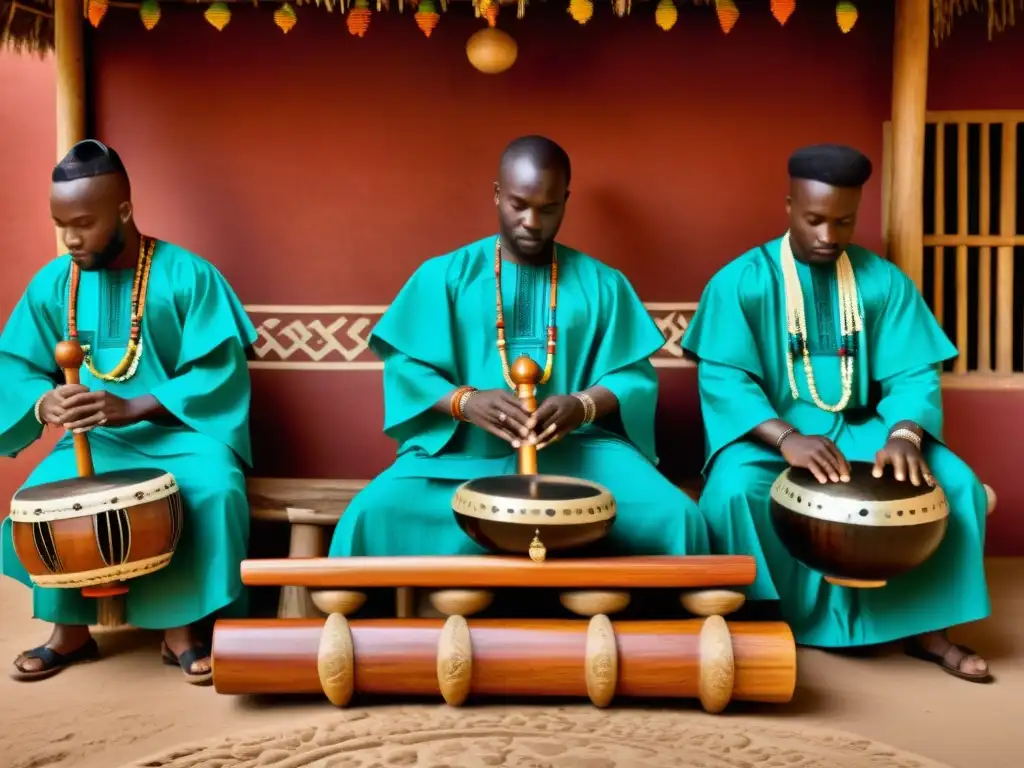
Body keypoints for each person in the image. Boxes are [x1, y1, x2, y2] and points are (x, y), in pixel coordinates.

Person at [681, 143, 992, 682]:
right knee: (734, 492)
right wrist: (785, 438)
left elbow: (914, 374)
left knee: (956, 485)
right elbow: (724, 379)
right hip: (768, 438)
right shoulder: (743, 281)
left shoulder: (882, 281)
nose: (828, 236)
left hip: (863, 430)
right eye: (814, 220)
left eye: (843, 222)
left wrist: (904, 436)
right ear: (789, 206)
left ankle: (927, 628)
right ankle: (761, 622)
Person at [328, 135, 710, 561]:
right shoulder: (444, 276)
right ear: (496, 194)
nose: (532, 221)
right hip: (461, 456)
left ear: (566, 200)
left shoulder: (604, 284)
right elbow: (405, 367)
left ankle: (668, 630)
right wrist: (465, 402)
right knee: (369, 515)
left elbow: (632, 377)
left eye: (549, 209)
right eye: (518, 204)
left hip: (581, 456)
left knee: (679, 517)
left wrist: (581, 406)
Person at [0, 139, 258, 684]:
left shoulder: (188, 275)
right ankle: (69, 629)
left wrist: (134, 405)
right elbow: (15, 365)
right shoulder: (54, 283)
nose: (70, 238)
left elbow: (219, 373)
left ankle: (183, 628)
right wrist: (45, 402)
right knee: (44, 498)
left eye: (84, 223)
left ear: (123, 211)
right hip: (94, 442)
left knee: (215, 490)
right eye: (60, 223)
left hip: (184, 436)